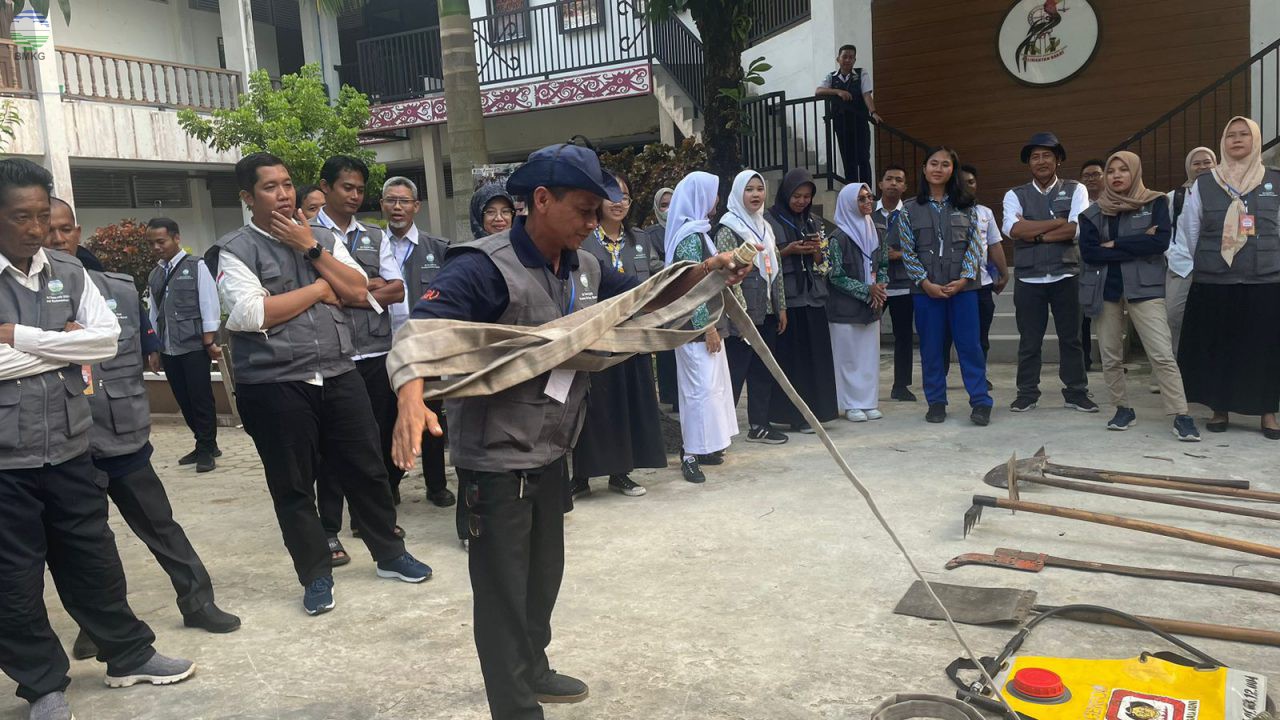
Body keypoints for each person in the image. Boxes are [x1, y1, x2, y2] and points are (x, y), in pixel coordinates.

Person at [388, 143, 751, 720]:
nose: (592, 222)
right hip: (496, 459)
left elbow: (640, 300)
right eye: (583, 210)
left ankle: (534, 668)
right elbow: (424, 331)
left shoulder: (583, 265)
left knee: (542, 579)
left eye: (596, 211)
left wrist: (709, 273)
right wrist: (411, 394)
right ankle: (515, 707)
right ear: (540, 200)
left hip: (554, 448)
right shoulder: (482, 265)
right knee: (503, 596)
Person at [0, 159, 194, 720]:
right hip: (6, 462)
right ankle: (42, 685)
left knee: (94, 560)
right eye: (21, 217)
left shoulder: (71, 272)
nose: (36, 228)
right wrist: (60, 343)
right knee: (13, 581)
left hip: (69, 446)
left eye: (43, 215)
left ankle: (127, 655)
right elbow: (78, 346)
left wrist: (18, 337)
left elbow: (105, 343)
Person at [207, 152, 432, 616]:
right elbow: (250, 314)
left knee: (366, 468)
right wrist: (319, 289)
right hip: (274, 382)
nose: (283, 194)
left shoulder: (323, 237)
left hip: (337, 369)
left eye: (287, 184)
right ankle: (315, 574)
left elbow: (358, 291)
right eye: (270, 187)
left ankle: (389, 553)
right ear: (249, 198)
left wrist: (312, 250)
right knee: (293, 484)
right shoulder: (233, 249)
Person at [43, 202, 242, 661]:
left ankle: (198, 601)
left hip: (120, 431)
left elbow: (140, 352)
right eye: (46, 230)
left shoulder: (120, 289)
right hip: (65, 439)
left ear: (77, 231)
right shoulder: (24, 297)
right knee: (87, 543)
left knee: (160, 524)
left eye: (63, 229)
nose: (55, 239)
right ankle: (98, 627)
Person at [310, 157, 425, 565]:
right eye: (347, 188)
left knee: (373, 444)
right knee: (328, 451)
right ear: (326, 188)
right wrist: (364, 290)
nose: (354, 196)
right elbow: (313, 292)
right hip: (331, 356)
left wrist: (348, 292)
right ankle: (327, 530)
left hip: (375, 354)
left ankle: (369, 520)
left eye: (359, 189)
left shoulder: (375, 239)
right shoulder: (305, 235)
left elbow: (397, 292)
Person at [1077, 151, 1200, 441]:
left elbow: (1158, 243)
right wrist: (1137, 242)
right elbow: (1090, 252)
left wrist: (1115, 243)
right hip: (1105, 289)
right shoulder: (1092, 213)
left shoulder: (1155, 201)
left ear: (1135, 172)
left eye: (1123, 170)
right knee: (1110, 355)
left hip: (1145, 289)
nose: (1117, 175)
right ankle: (1122, 408)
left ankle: (1180, 414)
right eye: (1111, 171)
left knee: (1162, 354)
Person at [1176, 117, 1280, 439]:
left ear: (1256, 141)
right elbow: (1189, 230)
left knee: (1264, 349)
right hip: (1215, 281)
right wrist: (1199, 266)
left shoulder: (1275, 180)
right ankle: (1219, 407)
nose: (1236, 140)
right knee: (1218, 346)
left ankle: (1268, 412)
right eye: (1230, 135)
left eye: (1243, 135)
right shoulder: (1205, 184)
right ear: (1223, 142)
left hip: (1265, 280)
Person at [571, 170, 667, 497]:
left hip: (633, 335)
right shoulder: (581, 240)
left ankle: (620, 473)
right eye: (612, 195)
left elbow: (656, 280)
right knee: (592, 404)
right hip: (596, 336)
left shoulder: (640, 240)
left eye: (625, 196)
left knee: (628, 403)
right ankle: (581, 477)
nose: (619, 202)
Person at [896, 147, 993, 425]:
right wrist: (924, 283)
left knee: (970, 346)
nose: (939, 169)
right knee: (932, 347)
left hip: (964, 290)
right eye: (933, 163)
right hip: (927, 292)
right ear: (924, 168)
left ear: (953, 170)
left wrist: (963, 279)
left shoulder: (968, 206)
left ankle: (980, 401)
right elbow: (908, 251)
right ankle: (936, 401)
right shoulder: (909, 210)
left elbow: (975, 246)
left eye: (945, 164)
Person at [1002, 132, 1097, 414]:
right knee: (1029, 340)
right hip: (1029, 278)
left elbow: (1078, 228)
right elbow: (1013, 230)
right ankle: (1027, 393)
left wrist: (1036, 232)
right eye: (1035, 157)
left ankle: (1076, 392)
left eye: (1047, 155)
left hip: (1067, 274)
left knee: (1072, 338)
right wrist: (1058, 223)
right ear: (1029, 163)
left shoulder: (1076, 189)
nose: (1041, 161)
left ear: (1058, 160)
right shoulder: (1014, 194)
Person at [383, 176, 455, 535]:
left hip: (428, 350)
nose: (398, 207)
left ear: (416, 207)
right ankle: (390, 484)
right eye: (391, 200)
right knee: (386, 417)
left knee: (433, 419)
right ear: (382, 205)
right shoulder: (369, 246)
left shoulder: (437, 248)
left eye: (404, 201)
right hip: (383, 348)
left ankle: (437, 484)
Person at [667, 171, 741, 483]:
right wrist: (706, 327)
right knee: (698, 391)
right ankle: (690, 454)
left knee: (711, 388)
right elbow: (690, 286)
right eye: (712, 194)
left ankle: (708, 446)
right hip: (695, 327)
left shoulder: (699, 232)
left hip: (707, 322)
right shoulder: (689, 237)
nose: (716, 201)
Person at [144, 218, 222, 472]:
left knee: (201, 398)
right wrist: (154, 348)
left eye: (161, 241)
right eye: (152, 243)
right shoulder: (155, 274)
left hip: (193, 345)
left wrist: (209, 339)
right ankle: (204, 444)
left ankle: (207, 447)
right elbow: (154, 312)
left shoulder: (196, 266)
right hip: (168, 347)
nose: (156, 247)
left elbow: (209, 302)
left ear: (177, 238)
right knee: (184, 399)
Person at [716, 170, 788, 443]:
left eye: (760, 189)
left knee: (762, 370)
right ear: (738, 193)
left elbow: (776, 270)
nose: (756, 194)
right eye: (750, 189)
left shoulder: (765, 227)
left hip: (766, 310)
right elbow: (728, 275)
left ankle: (759, 424)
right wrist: (741, 313)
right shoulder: (728, 228)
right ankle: (721, 432)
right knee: (735, 372)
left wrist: (780, 306)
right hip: (742, 315)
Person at [765, 168, 840, 431]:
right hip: (789, 300)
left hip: (813, 298)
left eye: (807, 196)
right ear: (786, 194)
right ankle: (794, 417)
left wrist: (816, 252)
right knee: (793, 361)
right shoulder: (769, 221)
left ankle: (818, 413)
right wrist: (788, 250)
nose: (801, 201)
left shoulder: (813, 222)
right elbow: (763, 260)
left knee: (816, 359)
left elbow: (825, 265)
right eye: (797, 195)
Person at [826, 183, 887, 422]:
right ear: (849, 203)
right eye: (861, 199)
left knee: (868, 356)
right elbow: (836, 275)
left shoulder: (878, 231)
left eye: (869, 197)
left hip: (871, 306)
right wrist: (867, 291)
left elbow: (882, 265)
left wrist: (880, 288)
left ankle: (868, 401)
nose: (867, 202)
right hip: (844, 308)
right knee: (848, 358)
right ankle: (850, 404)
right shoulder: (837, 238)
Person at [949, 165, 1009, 364]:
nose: (967, 186)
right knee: (947, 336)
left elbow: (994, 244)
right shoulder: (944, 211)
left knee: (981, 335)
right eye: (962, 182)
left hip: (981, 284)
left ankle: (979, 376)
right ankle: (940, 378)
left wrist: (1003, 273)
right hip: (953, 284)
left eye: (971, 182)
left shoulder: (985, 212)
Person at [1165, 146, 1217, 353]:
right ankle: (1169, 374)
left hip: (1216, 269)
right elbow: (1163, 231)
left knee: (1212, 319)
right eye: (1197, 163)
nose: (1202, 167)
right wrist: (1172, 253)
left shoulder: (1226, 195)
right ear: (1188, 167)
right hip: (1182, 267)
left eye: (1207, 162)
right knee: (1173, 318)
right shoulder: (1174, 197)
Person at [874, 164, 917, 401]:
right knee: (869, 335)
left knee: (903, 336)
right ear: (880, 184)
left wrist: (899, 255)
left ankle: (901, 385)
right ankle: (865, 385)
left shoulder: (912, 213)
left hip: (902, 284)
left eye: (898, 180)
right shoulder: (869, 211)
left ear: (905, 186)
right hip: (874, 285)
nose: (893, 183)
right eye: (888, 179)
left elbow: (922, 247)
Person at [816, 44, 881, 184]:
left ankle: (867, 192)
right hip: (841, 123)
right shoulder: (831, 77)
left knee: (863, 158)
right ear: (838, 59)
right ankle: (853, 194)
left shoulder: (861, 73)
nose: (847, 60)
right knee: (848, 159)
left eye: (851, 57)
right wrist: (838, 92)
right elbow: (819, 91)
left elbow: (866, 94)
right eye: (844, 56)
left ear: (854, 60)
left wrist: (873, 112)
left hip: (860, 121)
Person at [643, 186, 678, 409]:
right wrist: (675, 266)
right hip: (662, 294)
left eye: (672, 203)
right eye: (663, 205)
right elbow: (650, 263)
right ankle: (669, 395)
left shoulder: (684, 227)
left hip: (684, 292)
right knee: (667, 346)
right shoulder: (650, 234)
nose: (668, 209)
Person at [1078, 159, 1105, 372]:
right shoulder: (1077, 203)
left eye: (1095, 174)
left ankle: (1110, 360)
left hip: (1108, 262)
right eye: (1086, 176)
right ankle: (1084, 359)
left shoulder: (1113, 201)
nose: (1090, 179)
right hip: (1082, 262)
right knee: (1082, 317)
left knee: (1109, 314)